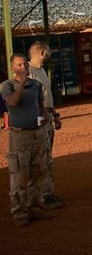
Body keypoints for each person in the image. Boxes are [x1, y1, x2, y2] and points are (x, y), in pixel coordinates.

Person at [2, 53, 54, 227]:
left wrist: (45, 118)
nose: (23, 67)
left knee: (39, 170)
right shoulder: (6, 86)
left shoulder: (36, 86)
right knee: (20, 175)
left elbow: (39, 109)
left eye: (25, 64)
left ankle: (35, 205)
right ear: (12, 68)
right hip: (19, 136)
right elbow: (12, 103)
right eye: (19, 65)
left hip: (36, 133)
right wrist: (22, 83)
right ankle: (19, 211)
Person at [28, 41, 62, 209]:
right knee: (40, 157)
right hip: (37, 119)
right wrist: (39, 122)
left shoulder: (41, 71)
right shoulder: (29, 73)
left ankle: (47, 193)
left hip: (47, 115)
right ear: (42, 53)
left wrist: (55, 115)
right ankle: (39, 196)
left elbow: (46, 98)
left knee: (47, 156)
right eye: (48, 52)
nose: (49, 55)